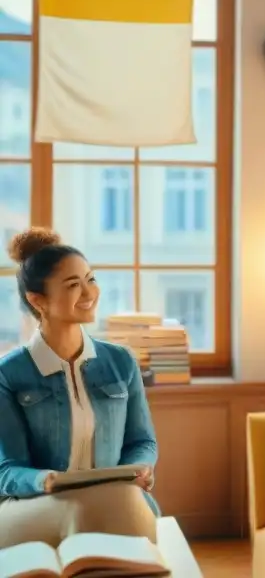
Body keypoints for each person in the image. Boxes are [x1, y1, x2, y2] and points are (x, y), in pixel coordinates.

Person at [0, 227, 159, 548]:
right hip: (36, 507)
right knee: (106, 515)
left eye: (91, 279)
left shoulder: (121, 361)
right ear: (37, 300)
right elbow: (7, 471)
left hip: (116, 503)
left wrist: (141, 467)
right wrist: (43, 480)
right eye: (73, 285)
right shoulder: (8, 373)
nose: (89, 293)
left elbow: (142, 441)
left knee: (123, 508)